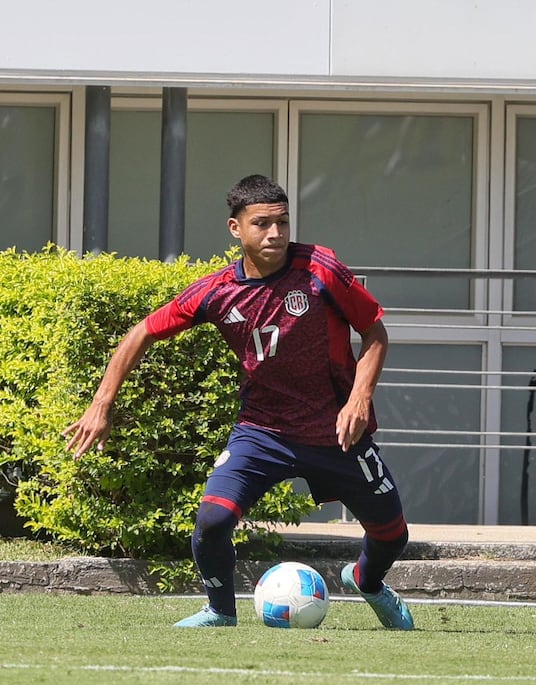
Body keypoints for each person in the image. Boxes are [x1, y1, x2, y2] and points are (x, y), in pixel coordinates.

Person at [63, 174, 415, 630]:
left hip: (335, 431)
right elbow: (143, 331)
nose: (275, 233)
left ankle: (367, 581)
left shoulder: (320, 269)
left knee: (392, 535)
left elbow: (374, 331)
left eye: (282, 222)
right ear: (236, 228)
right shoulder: (216, 292)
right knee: (212, 520)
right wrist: (101, 404)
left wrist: (359, 397)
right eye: (262, 224)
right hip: (262, 432)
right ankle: (220, 611)